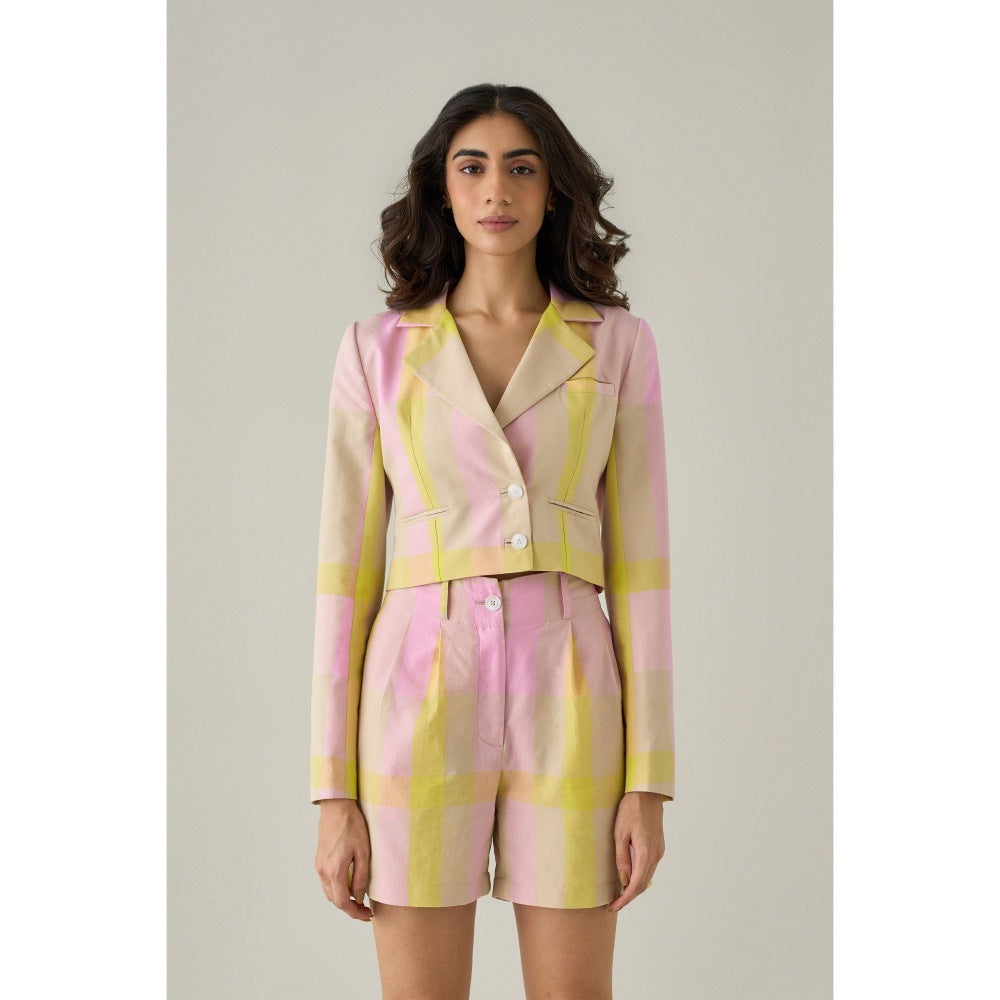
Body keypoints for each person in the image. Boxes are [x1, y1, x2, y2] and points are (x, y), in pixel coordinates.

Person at [310, 83, 674, 999]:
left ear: (554, 191)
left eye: (522, 168)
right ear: (442, 189)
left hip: (571, 686)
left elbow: (643, 574)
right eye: (471, 167)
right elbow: (344, 581)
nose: (496, 190)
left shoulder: (617, 345)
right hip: (416, 688)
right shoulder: (376, 351)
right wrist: (332, 791)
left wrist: (649, 779)